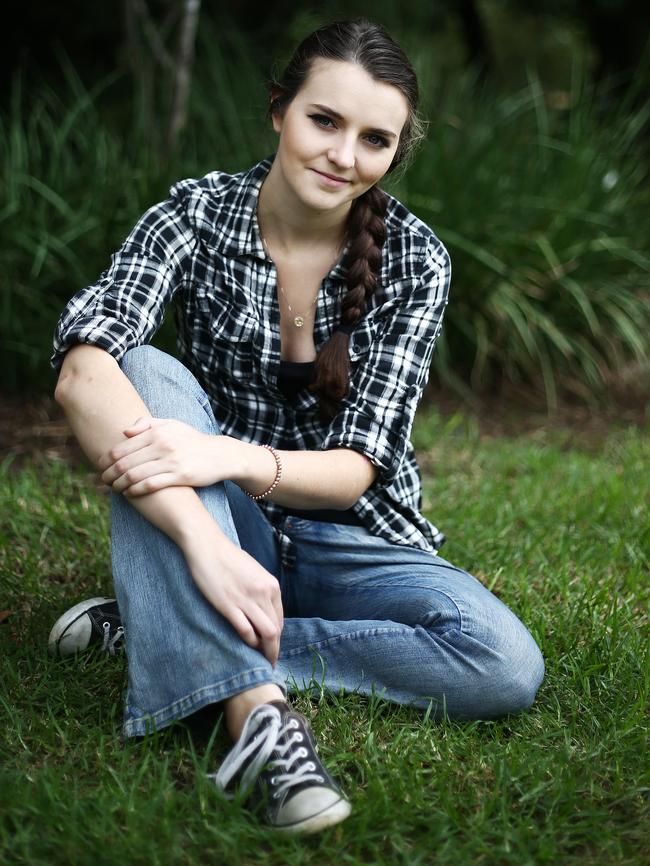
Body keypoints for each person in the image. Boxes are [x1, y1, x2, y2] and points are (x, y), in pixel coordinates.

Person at [48, 18, 545, 835]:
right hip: (219, 520)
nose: (344, 155)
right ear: (278, 111)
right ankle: (258, 720)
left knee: (503, 662)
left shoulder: (418, 260)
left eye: (374, 139)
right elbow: (81, 370)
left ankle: (162, 625)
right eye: (324, 120)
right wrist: (210, 548)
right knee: (144, 374)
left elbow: (357, 468)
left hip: (356, 536)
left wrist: (223, 454)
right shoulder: (195, 215)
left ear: (393, 154)